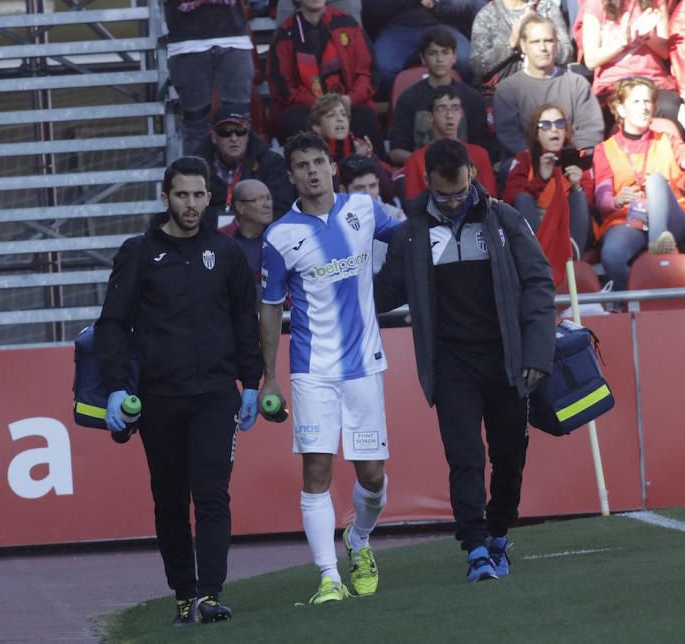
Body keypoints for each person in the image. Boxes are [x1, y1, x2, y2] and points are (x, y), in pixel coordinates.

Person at [373, 138, 555, 583]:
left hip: (508, 359)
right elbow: (383, 294)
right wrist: (337, 279)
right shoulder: (411, 232)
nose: (452, 202)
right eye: (442, 194)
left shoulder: (504, 220)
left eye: (458, 191)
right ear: (427, 184)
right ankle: (475, 546)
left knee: (509, 454)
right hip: (452, 363)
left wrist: (536, 352)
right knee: (465, 456)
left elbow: (538, 283)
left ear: (471, 176)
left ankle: (498, 533)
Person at [94, 155, 263, 627]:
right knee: (170, 499)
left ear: (211, 197)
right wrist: (114, 389)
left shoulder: (227, 255)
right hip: (159, 398)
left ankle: (209, 593)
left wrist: (251, 383)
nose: (191, 204)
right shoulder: (138, 252)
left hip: (215, 395)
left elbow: (243, 325)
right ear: (165, 197)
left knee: (211, 494)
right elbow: (112, 325)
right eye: (181, 195)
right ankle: (184, 596)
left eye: (198, 194)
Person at [259, 131, 400, 605]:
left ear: (332, 167)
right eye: (303, 165)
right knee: (317, 470)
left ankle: (358, 539)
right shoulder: (279, 237)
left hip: (363, 367)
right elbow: (271, 308)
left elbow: (407, 239)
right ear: (291, 175)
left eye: (319, 162)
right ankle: (328, 577)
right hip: (312, 370)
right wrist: (270, 376)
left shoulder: (363, 208)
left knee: (373, 478)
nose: (313, 171)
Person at [153, 0, 262, 151]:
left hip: (233, 39)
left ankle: (244, 180)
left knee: (239, 121)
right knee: (195, 125)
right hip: (187, 43)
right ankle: (196, 181)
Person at [594, 78, 685, 291]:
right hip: (630, 218)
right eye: (636, 102)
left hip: (672, 218)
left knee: (656, 180)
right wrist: (616, 200)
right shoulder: (603, 149)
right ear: (621, 109)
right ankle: (634, 303)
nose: (644, 107)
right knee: (611, 255)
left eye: (648, 101)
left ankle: (658, 244)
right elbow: (602, 201)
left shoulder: (667, 138)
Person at [267, 0, 382, 152]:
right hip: (307, 106)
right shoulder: (286, 33)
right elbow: (283, 87)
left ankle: (374, 171)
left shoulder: (347, 23)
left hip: (347, 101)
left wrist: (349, 99)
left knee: (365, 117)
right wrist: (320, 105)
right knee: (294, 121)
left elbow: (367, 71)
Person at [579, 0, 679, 122]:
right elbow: (591, 60)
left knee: (671, 107)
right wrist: (621, 42)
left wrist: (646, 36)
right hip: (614, 82)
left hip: (651, 79)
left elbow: (665, 51)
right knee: (619, 111)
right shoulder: (596, 3)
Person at [361, 0, 476, 93]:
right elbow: (370, 6)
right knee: (382, 69)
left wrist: (435, 5)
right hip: (397, 30)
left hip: (442, 28)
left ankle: (455, 107)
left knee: (466, 62)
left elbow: (466, 1)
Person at [493, 15, 605, 163]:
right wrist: (538, 159)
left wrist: (566, 156)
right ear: (523, 45)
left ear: (557, 44)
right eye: (535, 42)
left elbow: (590, 130)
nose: (543, 48)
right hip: (527, 164)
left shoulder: (577, 84)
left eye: (548, 41)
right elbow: (510, 136)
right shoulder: (507, 90)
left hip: (572, 162)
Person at [503, 104, 595, 284]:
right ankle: (538, 255)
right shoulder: (524, 159)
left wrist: (577, 185)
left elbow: (591, 207)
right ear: (536, 134)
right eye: (546, 125)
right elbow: (509, 198)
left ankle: (570, 253)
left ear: (566, 131)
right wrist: (541, 179)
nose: (554, 129)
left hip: (568, 231)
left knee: (579, 195)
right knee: (522, 197)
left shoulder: (580, 157)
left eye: (559, 124)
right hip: (537, 231)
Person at [470, 0, 572, 99]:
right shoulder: (486, 16)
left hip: (546, 89)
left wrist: (537, 44)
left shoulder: (546, 7)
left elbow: (566, 53)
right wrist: (510, 43)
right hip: (503, 94)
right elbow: (478, 66)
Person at [387, 26, 494, 167]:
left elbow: (482, 148)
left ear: (454, 56)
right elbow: (396, 151)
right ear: (423, 58)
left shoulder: (472, 98)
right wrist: (431, 161)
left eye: (445, 52)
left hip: (465, 171)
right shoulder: (408, 99)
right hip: (422, 171)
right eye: (433, 53)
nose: (439, 59)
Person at [193, 108, 294, 228]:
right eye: (225, 132)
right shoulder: (196, 168)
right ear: (214, 137)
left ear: (248, 135)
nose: (234, 138)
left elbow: (281, 208)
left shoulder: (271, 162)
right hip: (211, 237)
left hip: (261, 235)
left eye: (240, 131)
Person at [401, 85, 498, 203]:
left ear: (461, 113)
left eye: (455, 108)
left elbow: (490, 200)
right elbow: (414, 205)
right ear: (430, 116)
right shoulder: (415, 160)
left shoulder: (479, 154)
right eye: (442, 109)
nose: (449, 116)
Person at [337, 154, 406, 272]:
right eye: (359, 188)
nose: (368, 193)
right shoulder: (333, 221)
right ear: (343, 190)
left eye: (373, 186)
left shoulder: (395, 215)